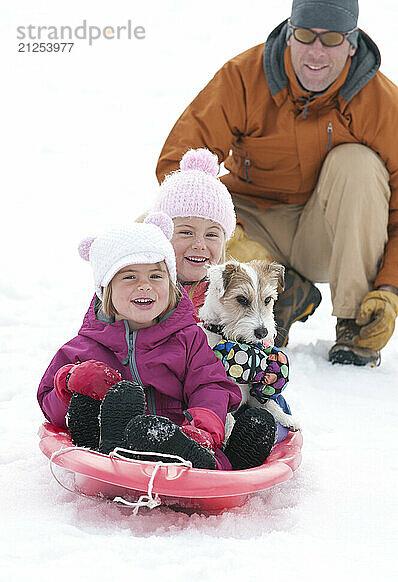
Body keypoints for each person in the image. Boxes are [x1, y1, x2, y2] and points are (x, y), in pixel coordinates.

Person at [156, 0, 398, 367]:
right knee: (158, 221)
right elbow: (181, 162)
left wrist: (388, 289)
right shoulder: (243, 77)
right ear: (289, 35)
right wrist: (227, 235)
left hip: (328, 237)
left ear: (352, 43)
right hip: (251, 220)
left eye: (331, 39)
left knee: (358, 164)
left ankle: (354, 319)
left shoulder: (381, 102)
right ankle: (260, 302)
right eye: (305, 35)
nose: (316, 52)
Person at [37, 215, 277, 470]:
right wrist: (69, 381)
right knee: (114, 396)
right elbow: (49, 406)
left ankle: (217, 461)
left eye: (155, 276)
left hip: (179, 439)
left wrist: (202, 429)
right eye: (129, 277)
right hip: (110, 451)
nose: (145, 286)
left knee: (255, 421)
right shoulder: (84, 346)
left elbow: (211, 385)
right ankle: (121, 453)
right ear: (105, 288)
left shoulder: (188, 338)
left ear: (172, 284)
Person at [150, 147, 297, 454]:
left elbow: (256, 359)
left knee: (262, 422)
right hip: (165, 400)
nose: (199, 245)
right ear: (163, 233)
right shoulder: (144, 288)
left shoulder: (231, 285)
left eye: (213, 234)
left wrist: (269, 375)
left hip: (229, 404)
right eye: (186, 231)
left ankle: (248, 444)